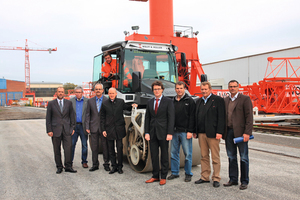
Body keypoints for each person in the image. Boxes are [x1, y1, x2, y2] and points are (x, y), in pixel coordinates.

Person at [193, 81, 225, 187]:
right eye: (202, 89)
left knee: (215, 157)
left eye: (206, 89)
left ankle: (216, 178)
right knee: (204, 156)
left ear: (210, 89)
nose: (204, 91)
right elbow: (196, 117)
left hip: (213, 134)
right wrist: (195, 131)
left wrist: (220, 132)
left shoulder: (218, 100)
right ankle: (205, 177)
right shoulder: (198, 101)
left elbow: (221, 117)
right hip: (201, 133)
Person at [223, 80, 253, 190]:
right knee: (231, 157)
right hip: (229, 132)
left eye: (234, 86)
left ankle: (244, 181)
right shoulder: (225, 100)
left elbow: (249, 117)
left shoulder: (245, 99)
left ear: (238, 87)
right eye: (230, 86)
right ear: (228, 87)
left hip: (241, 133)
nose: (232, 88)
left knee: (244, 157)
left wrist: (247, 133)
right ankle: (233, 179)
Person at [144, 81, 175, 186]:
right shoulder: (150, 102)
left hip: (164, 133)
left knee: (164, 156)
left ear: (162, 90)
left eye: (158, 89)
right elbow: (147, 118)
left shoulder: (168, 101)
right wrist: (146, 132)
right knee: (154, 155)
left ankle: (163, 177)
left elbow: (171, 118)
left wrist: (170, 132)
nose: (156, 91)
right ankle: (155, 175)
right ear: (152, 91)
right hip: (152, 133)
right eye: (155, 89)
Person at [101, 88, 137, 174]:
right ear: (108, 94)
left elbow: (127, 107)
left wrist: (133, 105)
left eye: (113, 93)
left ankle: (120, 167)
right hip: (109, 129)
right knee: (111, 149)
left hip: (119, 129)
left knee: (120, 148)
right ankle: (114, 166)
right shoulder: (104, 104)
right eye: (110, 93)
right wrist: (103, 130)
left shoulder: (121, 102)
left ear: (116, 94)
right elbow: (102, 118)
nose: (111, 95)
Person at [167, 81, 195, 182]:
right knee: (174, 153)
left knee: (188, 154)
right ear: (175, 89)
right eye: (177, 88)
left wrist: (190, 131)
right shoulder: (172, 101)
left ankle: (188, 173)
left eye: (181, 88)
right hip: (174, 131)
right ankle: (175, 172)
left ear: (184, 89)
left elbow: (192, 117)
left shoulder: (190, 100)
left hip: (185, 131)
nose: (179, 90)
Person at [46, 87, 76, 174]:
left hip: (67, 130)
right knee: (57, 149)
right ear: (56, 93)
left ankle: (68, 166)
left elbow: (72, 117)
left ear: (64, 93)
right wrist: (49, 130)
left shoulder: (69, 103)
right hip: (55, 130)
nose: (60, 93)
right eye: (59, 92)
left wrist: (72, 128)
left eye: (62, 92)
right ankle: (59, 167)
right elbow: (48, 118)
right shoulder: (51, 104)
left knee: (68, 149)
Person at [85, 83, 110, 172]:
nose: (98, 91)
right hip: (93, 127)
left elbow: (109, 115)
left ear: (103, 90)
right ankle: (95, 164)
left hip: (104, 128)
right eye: (96, 89)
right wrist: (87, 126)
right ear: (94, 91)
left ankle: (106, 164)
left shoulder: (107, 100)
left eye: (100, 89)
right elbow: (88, 115)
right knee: (94, 147)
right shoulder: (90, 101)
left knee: (105, 146)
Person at [70, 86, 89, 168]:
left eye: (79, 92)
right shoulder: (70, 102)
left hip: (83, 126)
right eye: (76, 92)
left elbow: (89, 115)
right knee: (72, 144)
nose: (78, 94)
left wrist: (88, 126)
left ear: (82, 93)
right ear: (75, 93)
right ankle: (70, 161)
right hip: (74, 127)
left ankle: (84, 161)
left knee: (84, 145)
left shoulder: (87, 101)